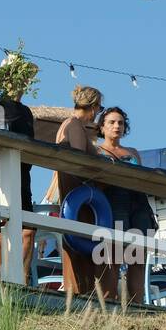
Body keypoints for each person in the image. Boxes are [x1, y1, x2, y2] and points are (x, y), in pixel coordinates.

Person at [94, 106, 158, 304]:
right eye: (112, 122)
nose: (117, 126)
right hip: (112, 201)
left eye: (121, 123)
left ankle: (137, 304)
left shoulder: (133, 152)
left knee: (137, 258)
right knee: (113, 256)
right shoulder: (96, 150)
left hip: (137, 202)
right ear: (102, 127)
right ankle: (111, 301)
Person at [53, 86, 108, 297]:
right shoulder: (75, 125)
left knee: (78, 241)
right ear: (93, 108)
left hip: (73, 189)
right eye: (99, 109)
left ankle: (80, 290)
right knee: (80, 240)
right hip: (76, 188)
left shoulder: (69, 124)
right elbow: (80, 160)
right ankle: (79, 290)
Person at [0, 88, 37, 281]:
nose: (21, 83)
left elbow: (30, 144)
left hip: (21, 175)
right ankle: (1, 283)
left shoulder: (26, 111)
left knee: (28, 230)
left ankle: (21, 281)